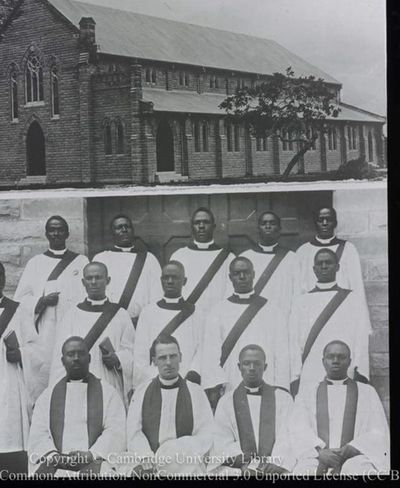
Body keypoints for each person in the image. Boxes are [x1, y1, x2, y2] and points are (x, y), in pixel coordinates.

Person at [28, 337, 126, 478]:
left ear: (89, 358)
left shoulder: (107, 392)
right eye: (71, 354)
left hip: (95, 460)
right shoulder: (48, 396)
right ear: (62, 361)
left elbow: (116, 430)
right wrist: (54, 456)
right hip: (57, 462)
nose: (76, 358)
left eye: (81, 353)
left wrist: (91, 454)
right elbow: (38, 432)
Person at [14, 216, 88, 398]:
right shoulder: (35, 263)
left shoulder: (81, 262)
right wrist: (41, 302)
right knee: (44, 378)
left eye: (60, 229)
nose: (56, 233)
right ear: (46, 234)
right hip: (44, 334)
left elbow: (88, 296)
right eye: (52, 230)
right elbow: (20, 301)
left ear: (67, 233)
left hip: (72, 330)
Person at [201, 257, 290, 411]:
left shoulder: (272, 310)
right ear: (230, 277)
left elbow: (282, 352)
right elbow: (210, 353)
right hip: (232, 383)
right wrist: (215, 386)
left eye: (246, 273)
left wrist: (281, 386)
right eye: (237, 273)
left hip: (267, 383)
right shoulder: (218, 311)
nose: (242, 277)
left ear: (254, 274)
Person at [291, 341, 390, 475]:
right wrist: (320, 452)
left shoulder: (367, 392)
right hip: (316, 457)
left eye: (341, 357)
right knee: (303, 472)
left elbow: (378, 430)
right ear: (323, 361)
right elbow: (298, 429)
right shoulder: (306, 393)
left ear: (349, 362)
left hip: (355, 458)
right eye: (331, 357)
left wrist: (353, 447)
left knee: (360, 470)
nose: (335, 361)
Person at [126, 335, 213, 476]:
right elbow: (134, 431)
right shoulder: (142, 391)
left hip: (185, 461)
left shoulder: (196, 391)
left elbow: (206, 432)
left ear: (181, 357)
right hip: (150, 461)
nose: (168, 362)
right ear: (154, 361)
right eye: (162, 358)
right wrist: (145, 454)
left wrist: (178, 450)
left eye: (173, 356)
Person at [49, 262, 134, 407]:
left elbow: (133, 352)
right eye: (89, 278)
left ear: (107, 281)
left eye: (98, 277)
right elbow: (59, 357)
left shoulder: (121, 315)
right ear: (83, 282)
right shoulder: (71, 315)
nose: (94, 282)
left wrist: (118, 359)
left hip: (110, 382)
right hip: (78, 385)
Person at [289, 249, 371, 396]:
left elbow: (361, 338)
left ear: (338, 267)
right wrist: (295, 375)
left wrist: (360, 369)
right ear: (314, 269)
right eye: (320, 263)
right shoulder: (301, 301)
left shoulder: (352, 299)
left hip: (345, 369)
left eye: (329, 263)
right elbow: (294, 341)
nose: (324, 266)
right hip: (311, 369)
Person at [208, 345, 295, 476]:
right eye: (247, 363)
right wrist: (244, 463)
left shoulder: (283, 398)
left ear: (265, 367)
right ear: (239, 367)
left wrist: (275, 463)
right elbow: (222, 439)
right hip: (240, 467)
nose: (252, 368)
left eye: (257, 364)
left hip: (275, 465)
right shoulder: (226, 401)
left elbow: (287, 435)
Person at [0, 263, 42, 477]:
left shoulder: (19, 310)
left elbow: (37, 349)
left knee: (9, 441)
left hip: (10, 386)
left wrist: (22, 354)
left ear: (4, 279)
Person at [133, 261, 201, 388]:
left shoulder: (196, 313)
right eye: (166, 277)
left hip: (187, 382)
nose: (170, 281)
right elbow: (140, 353)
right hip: (156, 381)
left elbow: (201, 349)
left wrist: (192, 374)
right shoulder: (148, 312)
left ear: (184, 281)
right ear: (161, 280)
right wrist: (155, 377)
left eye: (175, 277)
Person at [93, 214, 162, 327]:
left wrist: (146, 319)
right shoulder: (101, 258)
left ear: (133, 230)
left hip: (141, 323)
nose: (124, 230)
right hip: (110, 323)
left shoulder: (149, 259)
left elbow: (157, 295)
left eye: (127, 226)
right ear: (112, 233)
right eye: (119, 227)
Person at [170, 208, 235, 323]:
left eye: (206, 222)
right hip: (187, 320)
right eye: (197, 223)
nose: (201, 226)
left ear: (214, 226)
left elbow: (231, 292)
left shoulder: (228, 258)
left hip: (217, 319)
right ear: (192, 227)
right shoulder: (179, 256)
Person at [240, 211, 300, 323]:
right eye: (264, 223)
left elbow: (298, 294)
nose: (268, 226)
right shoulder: (245, 257)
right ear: (258, 228)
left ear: (279, 229)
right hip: (251, 319)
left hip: (282, 318)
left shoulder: (292, 258)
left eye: (272, 223)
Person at [295, 206, 368, 299]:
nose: (325, 223)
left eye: (329, 219)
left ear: (335, 223)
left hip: (341, 305)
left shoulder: (348, 249)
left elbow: (357, 286)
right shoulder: (303, 251)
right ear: (315, 223)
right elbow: (298, 288)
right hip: (312, 305)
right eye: (320, 220)